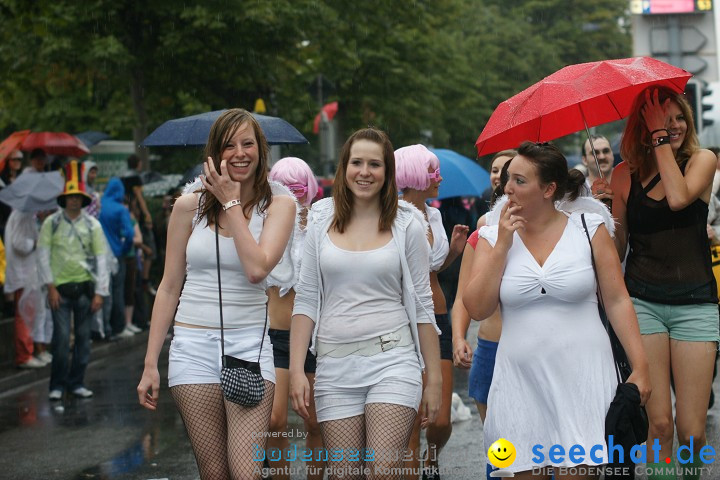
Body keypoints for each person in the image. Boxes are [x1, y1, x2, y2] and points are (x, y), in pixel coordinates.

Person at [463, 141, 650, 478]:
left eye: (520, 181)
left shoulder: (588, 229)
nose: (507, 188)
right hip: (519, 384)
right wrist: (504, 243)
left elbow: (617, 299)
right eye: (508, 179)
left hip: (583, 378)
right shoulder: (491, 236)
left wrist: (640, 366)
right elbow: (477, 307)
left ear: (548, 189)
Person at [136, 108, 295, 479]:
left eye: (248, 143)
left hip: (249, 347)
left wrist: (231, 203)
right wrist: (149, 365)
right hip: (192, 347)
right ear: (214, 153)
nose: (239, 153)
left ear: (261, 150)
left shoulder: (280, 206)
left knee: (246, 471)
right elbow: (169, 285)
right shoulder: (188, 207)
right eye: (228, 145)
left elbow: (257, 269)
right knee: (214, 471)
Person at [289, 128, 442, 480]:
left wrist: (433, 379)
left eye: (375, 164)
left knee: (382, 468)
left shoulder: (408, 225)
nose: (365, 171)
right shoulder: (319, 220)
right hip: (333, 367)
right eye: (357, 162)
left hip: (394, 361)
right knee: (345, 473)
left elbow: (422, 306)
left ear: (387, 172)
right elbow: (307, 299)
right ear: (344, 168)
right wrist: (298, 370)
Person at [600, 86, 718, 480]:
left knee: (692, 432)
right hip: (643, 302)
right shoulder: (623, 174)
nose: (674, 127)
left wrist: (660, 138)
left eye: (679, 117)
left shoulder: (703, 160)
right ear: (643, 125)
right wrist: (603, 217)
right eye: (662, 120)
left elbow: (679, 198)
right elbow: (617, 250)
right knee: (660, 426)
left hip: (696, 303)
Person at [394, 144, 468, 479]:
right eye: (431, 171)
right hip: (403, 321)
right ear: (412, 175)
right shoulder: (391, 216)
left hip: (437, 317)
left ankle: (432, 459)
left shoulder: (434, 215)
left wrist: (452, 252)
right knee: (410, 421)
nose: (439, 178)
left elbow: (433, 267)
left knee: (440, 419)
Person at [451, 152, 513, 478]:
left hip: (530, 348)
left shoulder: (552, 227)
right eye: (496, 170)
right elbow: (464, 295)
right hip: (490, 347)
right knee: (500, 449)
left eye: (511, 170)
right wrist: (460, 337)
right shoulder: (484, 230)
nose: (501, 175)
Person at [264, 156, 325, 480]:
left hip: (315, 337)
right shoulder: (265, 225)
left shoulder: (320, 224)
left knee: (314, 421)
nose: (294, 195)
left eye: (299, 188)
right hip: (275, 336)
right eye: (285, 187)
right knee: (274, 421)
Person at [38, 160, 108, 400]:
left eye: (78, 196)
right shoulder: (52, 223)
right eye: (70, 196)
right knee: (59, 342)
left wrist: (100, 292)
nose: (74, 200)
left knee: (83, 341)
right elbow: (42, 255)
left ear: (83, 198)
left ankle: (76, 381)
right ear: (64, 199)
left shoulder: (92, 225)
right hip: (59, 291)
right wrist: (50, 286)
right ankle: (56, 385)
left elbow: (102, 259)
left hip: (85, 291)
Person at [99, 178, 134, 339]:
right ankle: (118, 327)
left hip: (100, 254)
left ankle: (104, 328)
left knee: (104, 291)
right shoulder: (120, 209)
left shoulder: (99, 206)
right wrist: (124, 249)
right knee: (118, 291)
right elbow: (129, 234)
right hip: (117, 254)